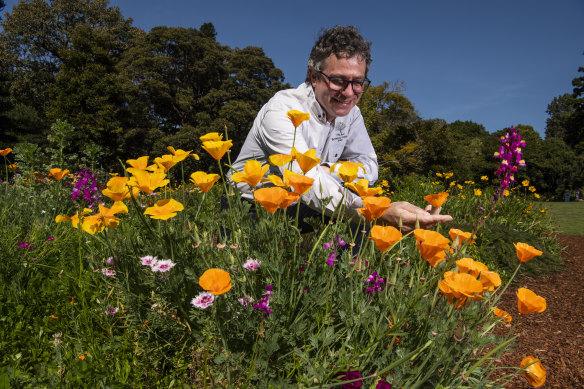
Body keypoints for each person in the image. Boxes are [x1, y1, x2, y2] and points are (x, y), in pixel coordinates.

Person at [228, 25, 452, 232]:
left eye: (358, 82)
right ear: (313, 76)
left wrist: (328, 169)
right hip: (247, 205)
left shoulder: (351, 114)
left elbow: (370, 167)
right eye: (338, 80)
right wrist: (376, 212)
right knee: (358, 214)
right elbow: (304, 180)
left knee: (357, 222)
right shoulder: (282, 109)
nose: (348, 92)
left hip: (300, 203)